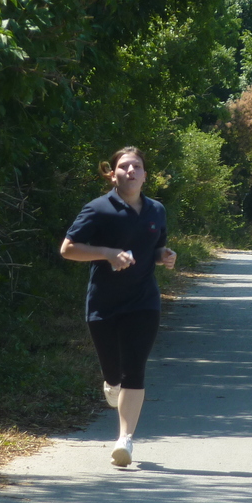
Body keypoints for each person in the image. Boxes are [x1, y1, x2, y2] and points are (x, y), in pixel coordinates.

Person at [61, 147, 176, 467]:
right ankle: (111, 382)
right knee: (114, 374)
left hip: (144, 301)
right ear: (113, 175)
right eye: (124, 166)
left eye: (136, 166)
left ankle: (125, 439)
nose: (130, 171)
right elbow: (68, 249)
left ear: (145, 175)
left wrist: (166, 256)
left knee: (134, 369)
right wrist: (108, 253)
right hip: (104, 302)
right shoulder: (98, 209)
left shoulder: (156, 210)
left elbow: (157, 248)